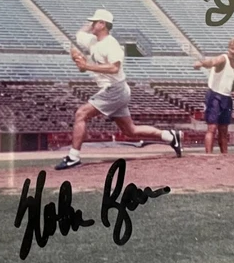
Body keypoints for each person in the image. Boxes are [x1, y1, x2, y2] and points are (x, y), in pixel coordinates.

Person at [56, 9, 183, 170]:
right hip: (117, 90)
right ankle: (170, 136)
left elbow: (114, 68)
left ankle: (73, 157)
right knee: (130, 131)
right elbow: (79, 34)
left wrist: (86, 65)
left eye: (95, 22)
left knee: (81, 114)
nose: (91, 24)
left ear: (102, 24)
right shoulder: (93, 41)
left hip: (114, 89)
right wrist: (78, 49)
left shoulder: (111, 44)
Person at [193, 37, 234, 154]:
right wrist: (201, 63)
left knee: (224, 129)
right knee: (212, 127)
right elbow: (212, 62)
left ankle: (224, 155)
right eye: (231, 48)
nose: (232, 51)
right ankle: (208, 155)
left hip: (227, 97)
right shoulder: (223, 59)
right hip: (215, 95)